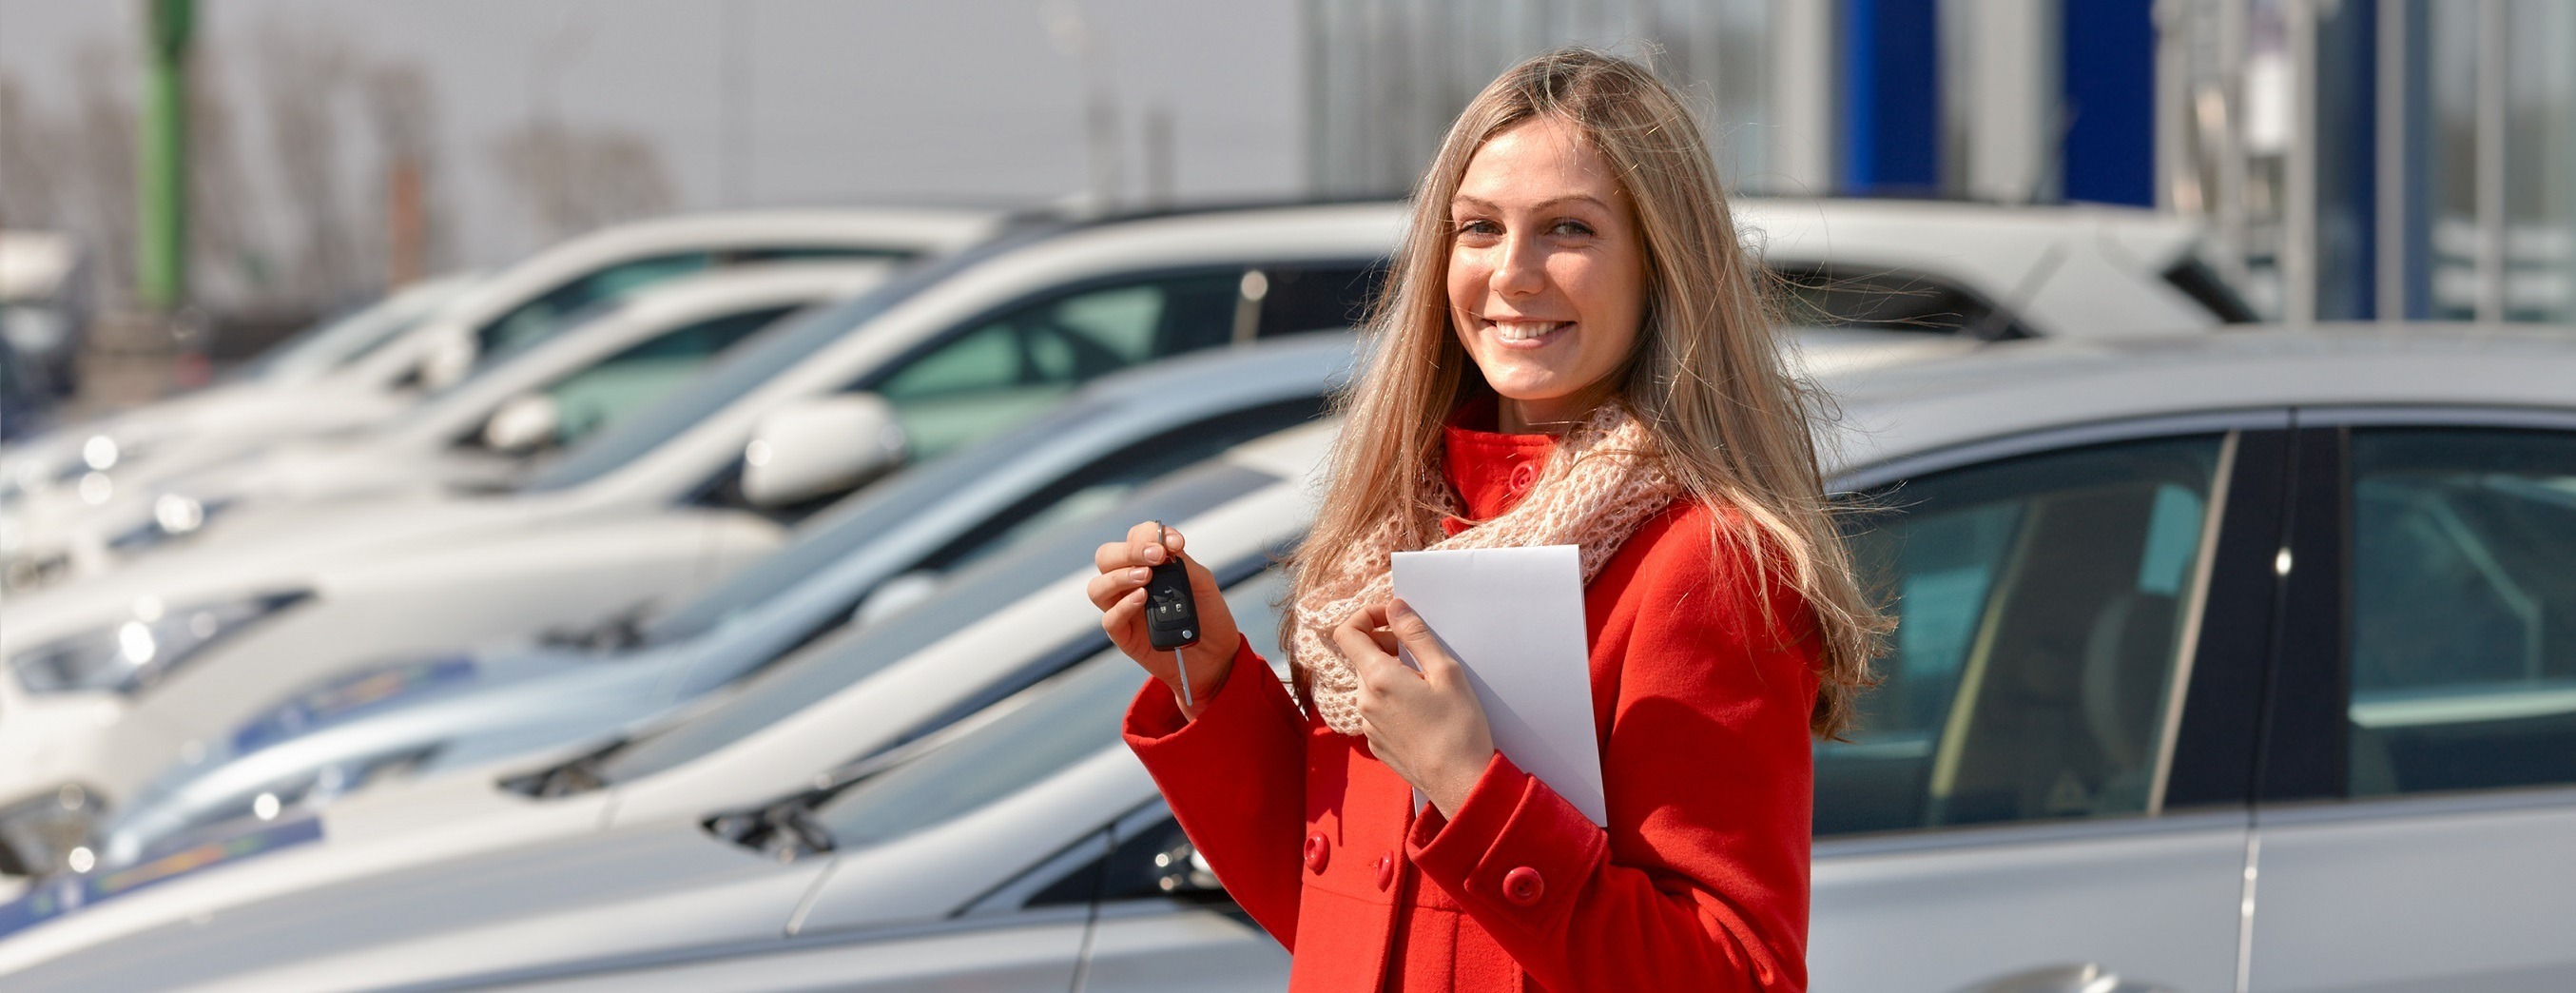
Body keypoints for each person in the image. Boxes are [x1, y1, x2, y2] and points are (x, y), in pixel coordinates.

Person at [1085, 49, 1885, 993]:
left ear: (1662, 265)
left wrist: (1474, 788)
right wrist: (1211, 683)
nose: (1513, 274)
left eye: (1568, 230)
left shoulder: (1703, 559)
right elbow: (1342, 925)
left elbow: (1735, 976)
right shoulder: (1391, 531)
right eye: (1478, 229)